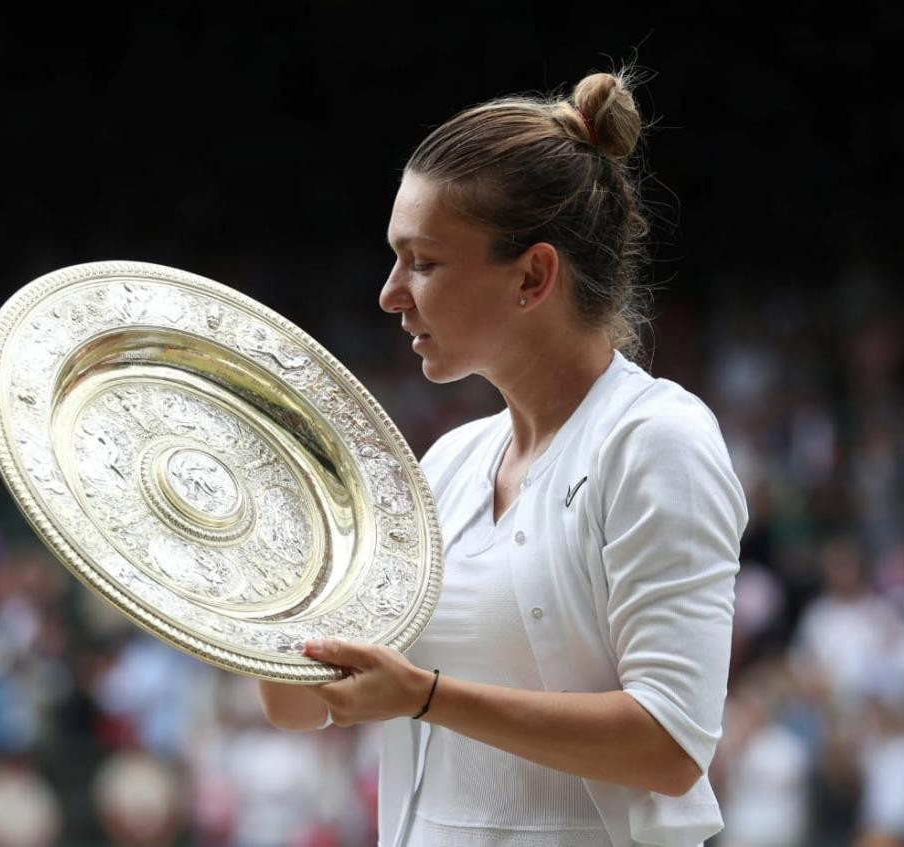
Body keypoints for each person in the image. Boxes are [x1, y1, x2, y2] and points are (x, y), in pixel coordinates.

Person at [257, 67, 748, 847]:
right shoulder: (446, 464)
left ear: (533, 275)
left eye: (424, 261)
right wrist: (259, 577)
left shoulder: (655, 441)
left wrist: (424, 695)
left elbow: (670, 745)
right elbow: (300, 705)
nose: (390, 292)